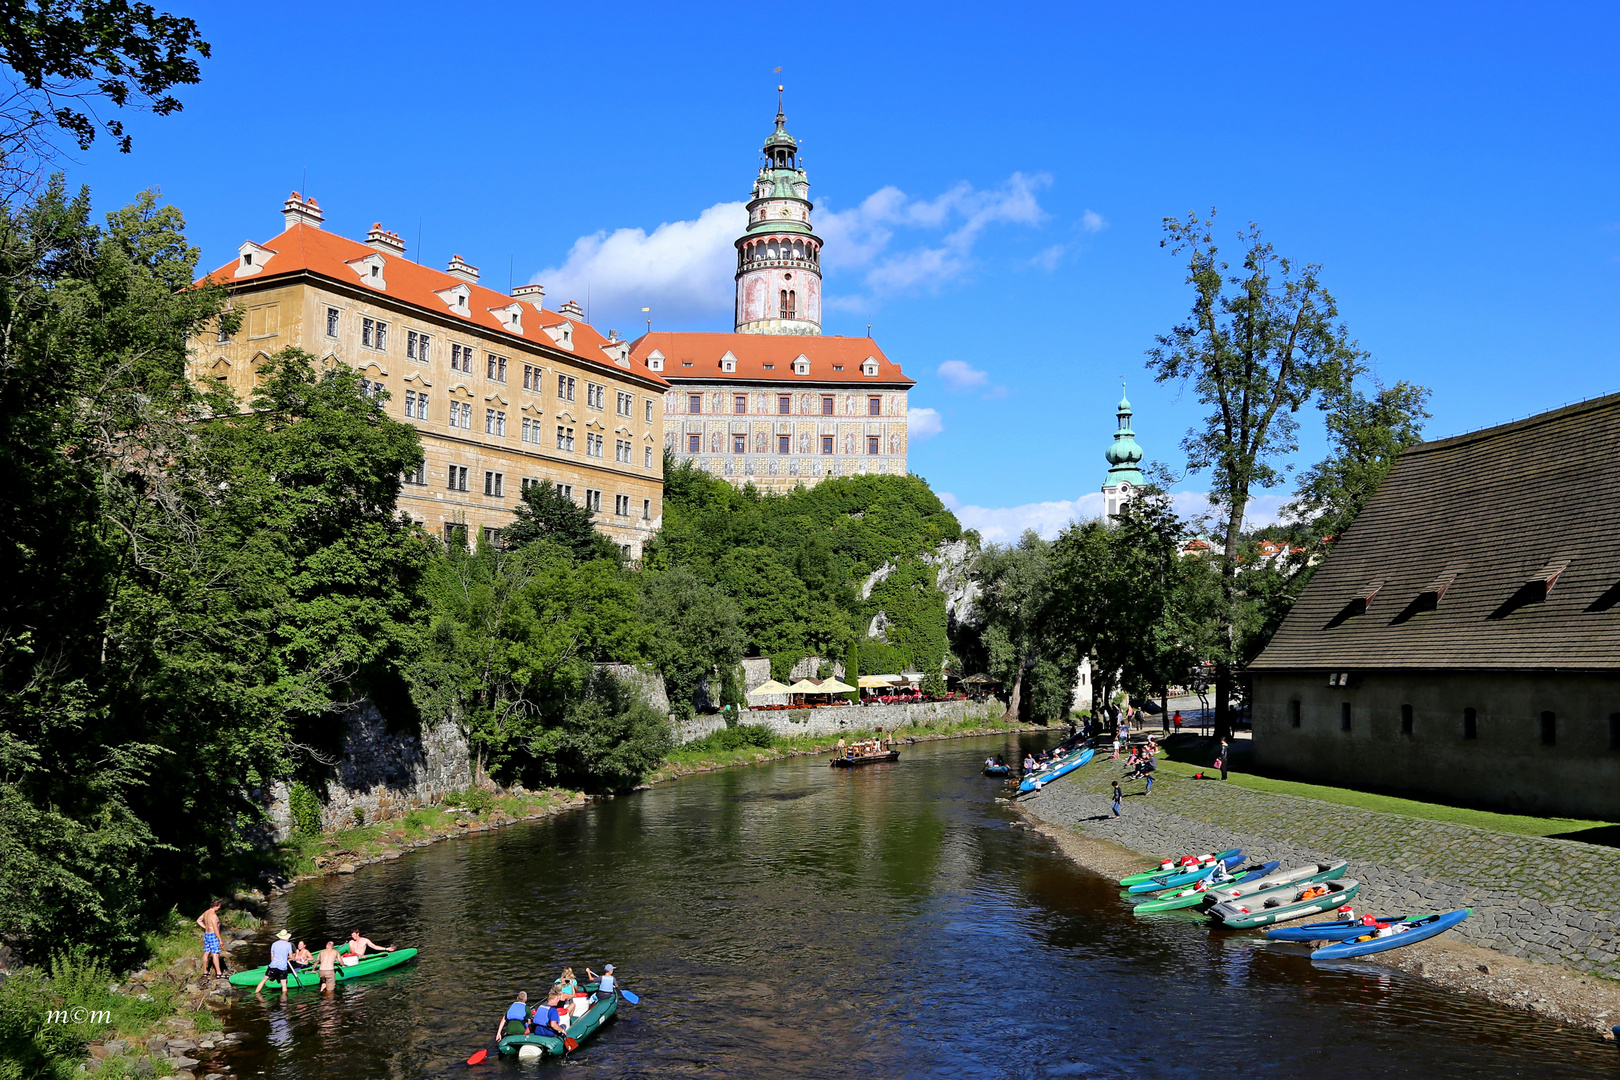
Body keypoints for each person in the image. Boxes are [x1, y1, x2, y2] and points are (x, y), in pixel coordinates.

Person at [254, 930, 294, 996]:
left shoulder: (274, 944)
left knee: (264, 980)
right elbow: (291, 957)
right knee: (284, 985)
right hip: (282, 967)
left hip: (273, 966)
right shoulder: (288, 945)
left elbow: (272, 958)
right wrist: (285, 957)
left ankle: (256, 993)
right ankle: (284, 1001)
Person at [196, 899, 227, 979]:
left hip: (207, 934)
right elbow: (216, 929)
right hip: (213, 935)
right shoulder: (214, 916)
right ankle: (219, 973)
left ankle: (205, 971)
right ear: (215, 906)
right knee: (215, 954)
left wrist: (206, 927)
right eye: (219, 906)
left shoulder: (206, 912)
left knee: (206, 952)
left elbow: (198, 920)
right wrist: (220, 940)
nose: (219, 908)